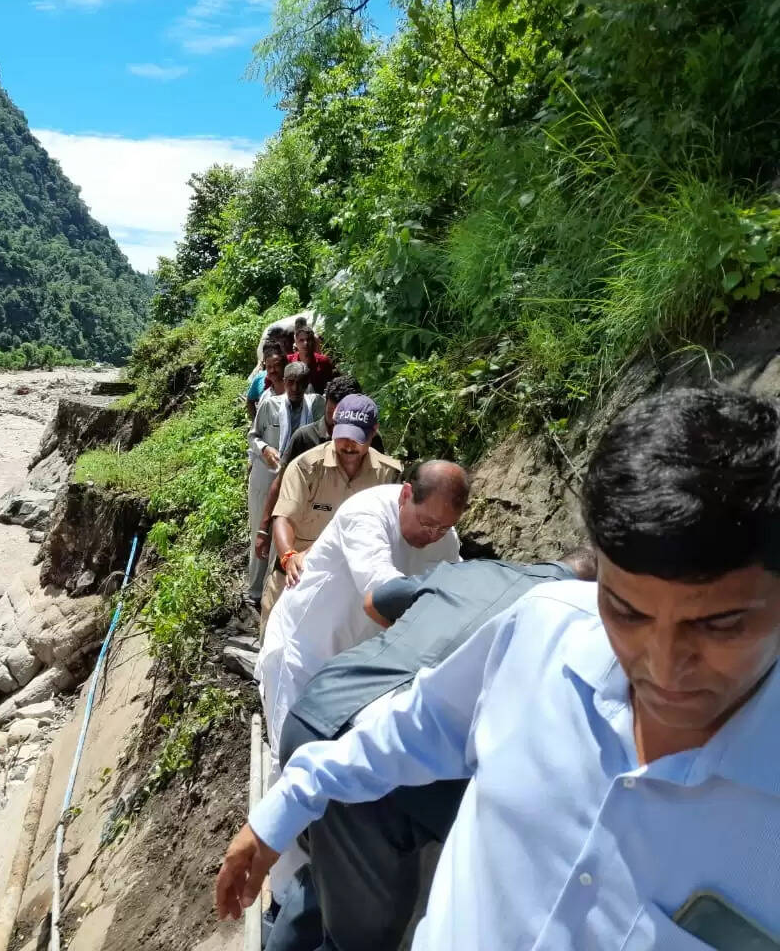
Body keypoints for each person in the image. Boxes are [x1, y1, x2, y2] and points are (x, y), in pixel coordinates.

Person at [218, 386, 780, 951]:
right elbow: (419, 718)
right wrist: (287, 803)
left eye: (718, 626)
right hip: (310, 667)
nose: (661, 665)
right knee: (316, 870)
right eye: (627, 612)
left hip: (353, 681)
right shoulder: (542, 629)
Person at [263, 550, 598, 951]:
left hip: (318, 711)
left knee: (329, 874)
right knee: (367, 934)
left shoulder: (471, 571)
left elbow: (375, 602)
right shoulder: (571, 627)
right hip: (385, 770)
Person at [257, 460, 471, 762]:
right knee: (295, 762)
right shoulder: (366, 514)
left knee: (340, 765)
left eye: (444, 527)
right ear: (406, 495)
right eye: (427, 523)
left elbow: (456, 587)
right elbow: (381, 590)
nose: (432, 535)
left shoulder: (444, 540)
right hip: (302, 654)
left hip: (355, 667)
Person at [260, 394, 401, 628]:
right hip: (295, 577)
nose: (348, 445)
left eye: (357, 439)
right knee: (273, 649)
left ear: (374, 431)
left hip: (348, 586)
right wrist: (288, 556)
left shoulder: (388, 474)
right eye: (342, 436)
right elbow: (284, 517)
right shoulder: (306, 468)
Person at [253, 377, 380, 565]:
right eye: (332, 418)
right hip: (301, 536)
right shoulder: (304, 437)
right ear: (325, 402)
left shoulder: (372, 441)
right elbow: (280, 483)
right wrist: (264, 529)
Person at [247, 361, 324, 603]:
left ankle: (277, 588)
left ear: (306, 384)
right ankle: (255, 591)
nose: (295, 387)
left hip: (300, 479)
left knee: (288, 530)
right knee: (261, 529)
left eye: (300, 383)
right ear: (284, 381)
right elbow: (253, 436)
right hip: (268, 474)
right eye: (290, 381)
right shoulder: (270, 405)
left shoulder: (317, 405)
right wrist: (266, 448)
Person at [287, 323, 335, 395]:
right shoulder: (288, 361)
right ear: (296, 343)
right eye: (301, 340)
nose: (305, 343)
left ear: (313, 341)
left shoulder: (324, 361)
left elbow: (330, 387)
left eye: (308, 339)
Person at [246, 341, 287, 422]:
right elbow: (250, 400)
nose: (273, 370)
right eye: (269, 366)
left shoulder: (294, 384)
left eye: (276, 365)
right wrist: (255, 422)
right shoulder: (260, 381)